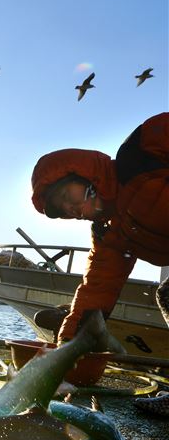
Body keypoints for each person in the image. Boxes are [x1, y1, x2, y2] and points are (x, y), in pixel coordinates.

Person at [30, 112, 169, 343]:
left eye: (65, 194)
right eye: (61, 209)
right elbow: (96, 292)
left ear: (84, 175)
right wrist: (69, 348)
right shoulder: (109, 234)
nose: (69, 208)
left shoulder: (141, 151)